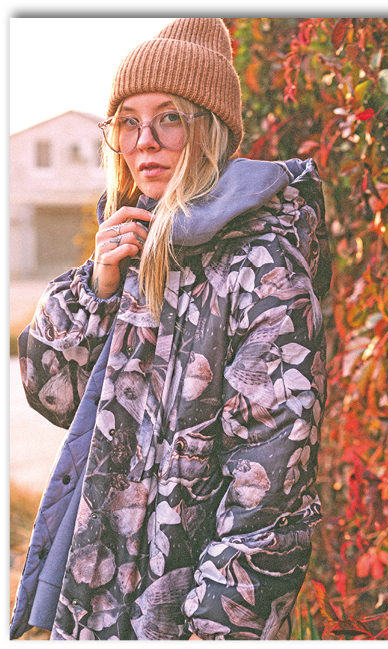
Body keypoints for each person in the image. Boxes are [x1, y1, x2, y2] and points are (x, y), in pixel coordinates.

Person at [10, 18, 331, 641]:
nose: (144, 142)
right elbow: (53, 395)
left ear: (211, 130)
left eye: (169, 118)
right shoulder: (136, 243)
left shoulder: (263, 269)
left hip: (183, 619)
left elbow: (270, 498)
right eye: (127, 122)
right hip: (99, 603)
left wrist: (207, 630)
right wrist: (97, 288)